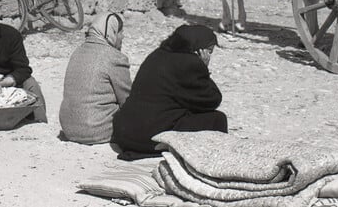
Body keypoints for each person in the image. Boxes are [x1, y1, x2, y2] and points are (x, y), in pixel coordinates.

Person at [112, 24, 227, 158]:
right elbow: (212, 100)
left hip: (125, 135)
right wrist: (204, 68)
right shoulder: (190, 63)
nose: (209, 56)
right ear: (199, 49)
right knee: (218, 119)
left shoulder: (157, 54)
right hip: (148, 139)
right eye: (209, 51)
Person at [59, 12, 131, 144]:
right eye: (120, 32)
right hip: (96, 130)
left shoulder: (77, 52)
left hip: (69, 129)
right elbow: (127, 101)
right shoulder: (114, 57)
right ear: (111, 33)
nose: (123, 36)